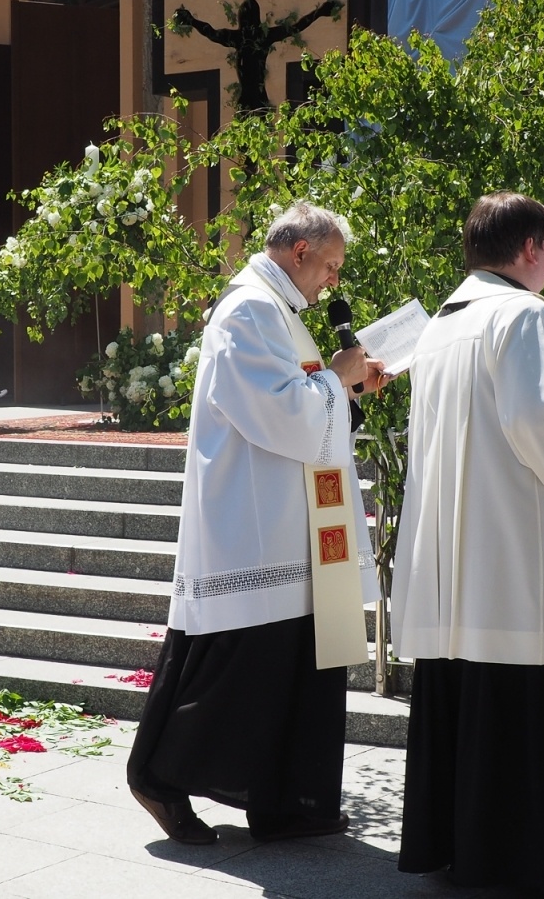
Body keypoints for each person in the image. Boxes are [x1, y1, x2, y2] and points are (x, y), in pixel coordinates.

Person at [390, 193, 544, 896]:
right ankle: (537, 856)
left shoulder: (443, 323)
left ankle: (467, 848)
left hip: (461, 560)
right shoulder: (524, 315)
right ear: (531, 249)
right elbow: (542, 419)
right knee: (539, 697)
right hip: (522, 564)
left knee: (474, 699)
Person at [126, 201, 389, 844]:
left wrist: (347, 390)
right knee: (240, 672)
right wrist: (336, 378)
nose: (333, 280)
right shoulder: (248, 308)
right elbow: (275, 413)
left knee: (291, 669)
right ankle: (158, 776)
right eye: (328, 265)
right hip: (253, 527)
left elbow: (306, 404)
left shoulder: (281, 314)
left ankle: (286, 802)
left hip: (290, 521)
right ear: (298, 252)